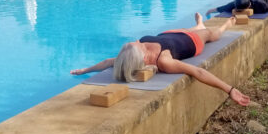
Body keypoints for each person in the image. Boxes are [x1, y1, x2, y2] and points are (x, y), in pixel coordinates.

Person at [71, 13, 250, 106]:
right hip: (192, 41)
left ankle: (198, 24)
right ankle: (225, 25)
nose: (136, 41)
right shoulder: (164, 61)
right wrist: (230, 89)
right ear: (140, 56)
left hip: (170, 34)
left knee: (189, 28)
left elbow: (108, 61)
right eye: (136, 44)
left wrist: (84, 70)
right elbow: (197, 71)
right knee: (212, 34)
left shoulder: (135, 50)